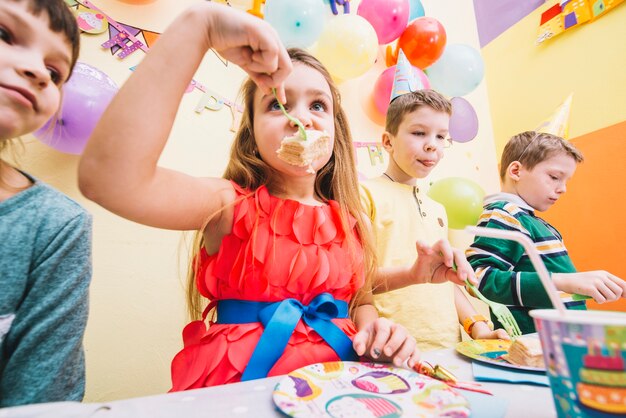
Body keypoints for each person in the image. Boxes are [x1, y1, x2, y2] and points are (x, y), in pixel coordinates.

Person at [77, 2, 443, 390]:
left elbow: (360, 301)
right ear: (251, 133)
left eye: (317, 104)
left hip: (340, 391)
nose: (300, 117)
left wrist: (377, 333)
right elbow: (109, 178)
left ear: (336, 131)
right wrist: (198, 28)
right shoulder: (226, 204)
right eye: (277, 103)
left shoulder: (352, 220)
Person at [361, 81, 508, 351]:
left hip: (448, 347)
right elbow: (357, 280)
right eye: (419, 133)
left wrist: (478, 327)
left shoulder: (437, 209)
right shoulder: (365, 193)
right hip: (391, 347)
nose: (432, 146)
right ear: (387, 141)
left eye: (441, 137)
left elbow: (445, 279)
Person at [0, 0, 91, 407]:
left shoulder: (58, 224)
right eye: (4, 34)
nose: (38, 70)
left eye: (55, 73)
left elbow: (43, 401)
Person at [466, 131, 626, 334]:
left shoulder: (533, 222)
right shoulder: (504, 214)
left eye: (566, 181)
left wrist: (578, 289)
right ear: (516, 171)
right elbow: (477, 279)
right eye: (554, 177)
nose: (563, 189)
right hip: (535, 346)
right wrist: (562, 281)